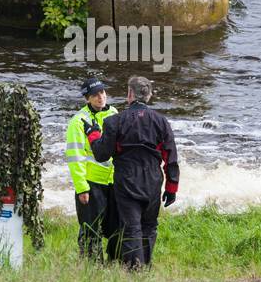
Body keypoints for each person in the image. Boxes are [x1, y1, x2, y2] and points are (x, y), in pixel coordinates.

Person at [85, 76, 179, 269]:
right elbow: (171, 158)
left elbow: (102, 154)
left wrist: (93, 134)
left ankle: (134, 270)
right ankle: (144, 266)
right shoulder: (161, 122)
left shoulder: (114, 121)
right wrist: (171, 188)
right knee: (149, 226)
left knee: (131, 227)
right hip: (153, 180)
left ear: (129, 94)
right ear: (150, 95)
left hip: (127, 180)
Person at [65, 78, 120, 261]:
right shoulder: (79, 121)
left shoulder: (114, 113)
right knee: (90, 228)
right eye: (95, 95)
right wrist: (82, 187)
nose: (100, 97)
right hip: (91, 183)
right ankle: (92, 267)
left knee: (115, 227)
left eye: (102, 93)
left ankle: (115, 264)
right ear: (87, 99)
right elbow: (75, 157)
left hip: (113, 182)